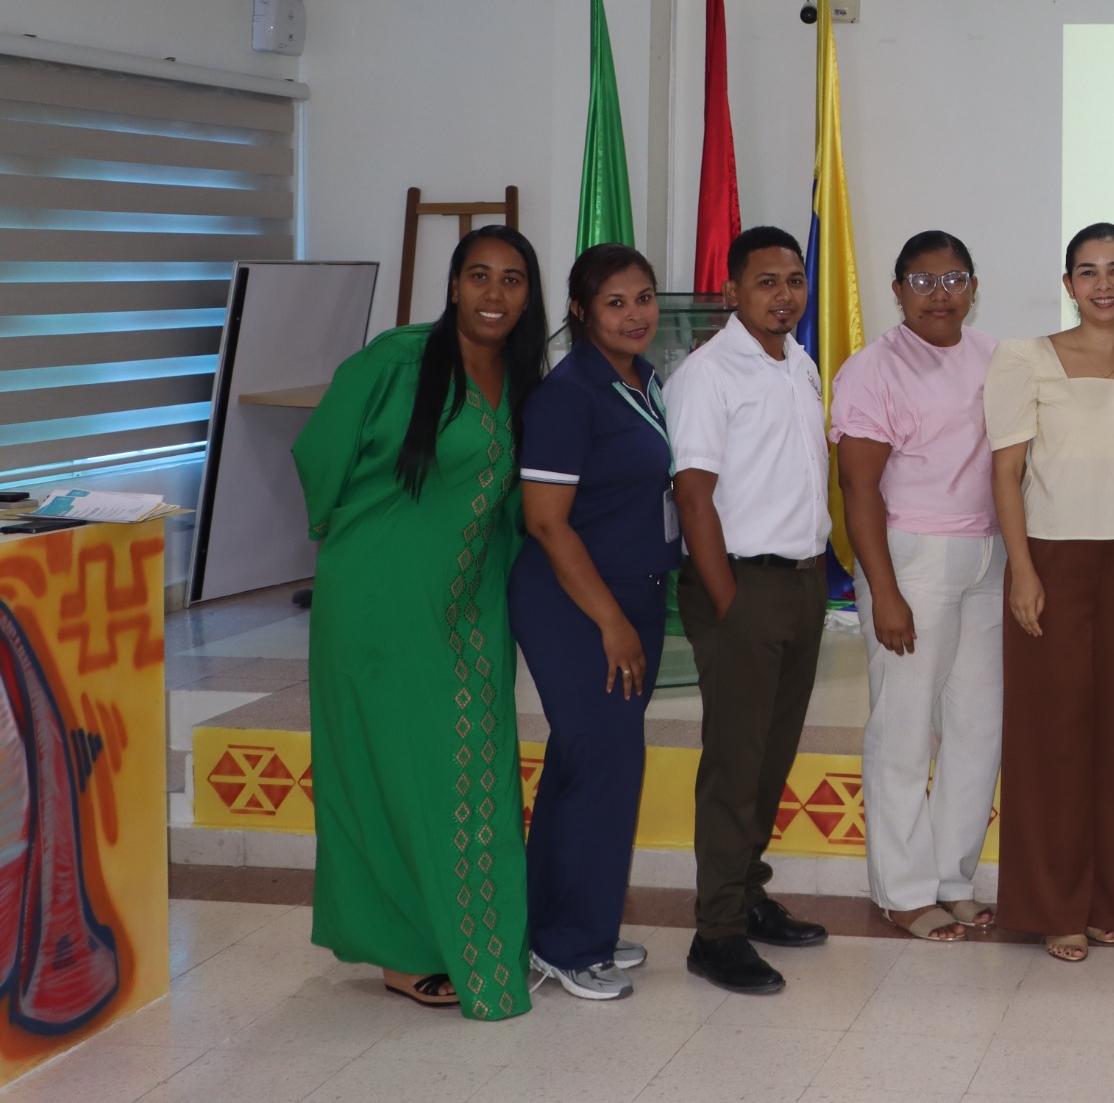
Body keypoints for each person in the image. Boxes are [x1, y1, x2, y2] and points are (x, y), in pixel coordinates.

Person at [293, 225, 548, 1018]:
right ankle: (404, 950)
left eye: (511, 279)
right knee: (390, 774)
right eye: (479, 275)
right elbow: (320, 450)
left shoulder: (524, 378)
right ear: (454, 285)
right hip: (378, 601)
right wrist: (351, 535)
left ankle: (465, 933)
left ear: (529, 296)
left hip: (466, 603)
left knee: (468, 771)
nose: (494, 294)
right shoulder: (400, 361)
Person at [987, 223, 1114, 963]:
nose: (1104, 284)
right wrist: (1023, 569)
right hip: (1052, 564)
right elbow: (1005, 473)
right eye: (1089, 271)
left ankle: (1110, 900)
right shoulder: (1024, 359)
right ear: (1069, 284)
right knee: (1052, 739)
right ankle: (1054, 907)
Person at [668, 226, 834, 996]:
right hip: (740, 586)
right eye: (766, 282)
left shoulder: (799, 362)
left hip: (800, 582)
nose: (785, 295)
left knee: (770, 755)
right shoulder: (708, 373)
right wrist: (728, 601)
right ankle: (717, 932)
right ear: (732, 291)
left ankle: (746, 894)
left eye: (794, 280)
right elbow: (693, 496)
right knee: (735, 765)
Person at [515, 244, 676, 1002]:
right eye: (615, 302)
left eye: (644, 298)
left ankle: (562, 924)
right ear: (580, 312)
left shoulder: (642, 380)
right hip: (576, 600)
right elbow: (547, 523)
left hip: (631, 592)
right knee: (603, 761)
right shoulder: (568, 393)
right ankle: (570, 946)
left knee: (588, 761)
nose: (635, 314)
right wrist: (612, 622)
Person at [831, 231, 1002, 942]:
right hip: (912, 560)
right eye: (923, 282)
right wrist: (885, 591)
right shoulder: (873, 369)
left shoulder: (994, 357)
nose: (940, 294)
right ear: (897, 290)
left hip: (987, 558)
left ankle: (951, 879)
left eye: (954, 279)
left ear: (974, 287)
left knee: (976, 729)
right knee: (903, 730)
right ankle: (902, 891)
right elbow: (857, 487)